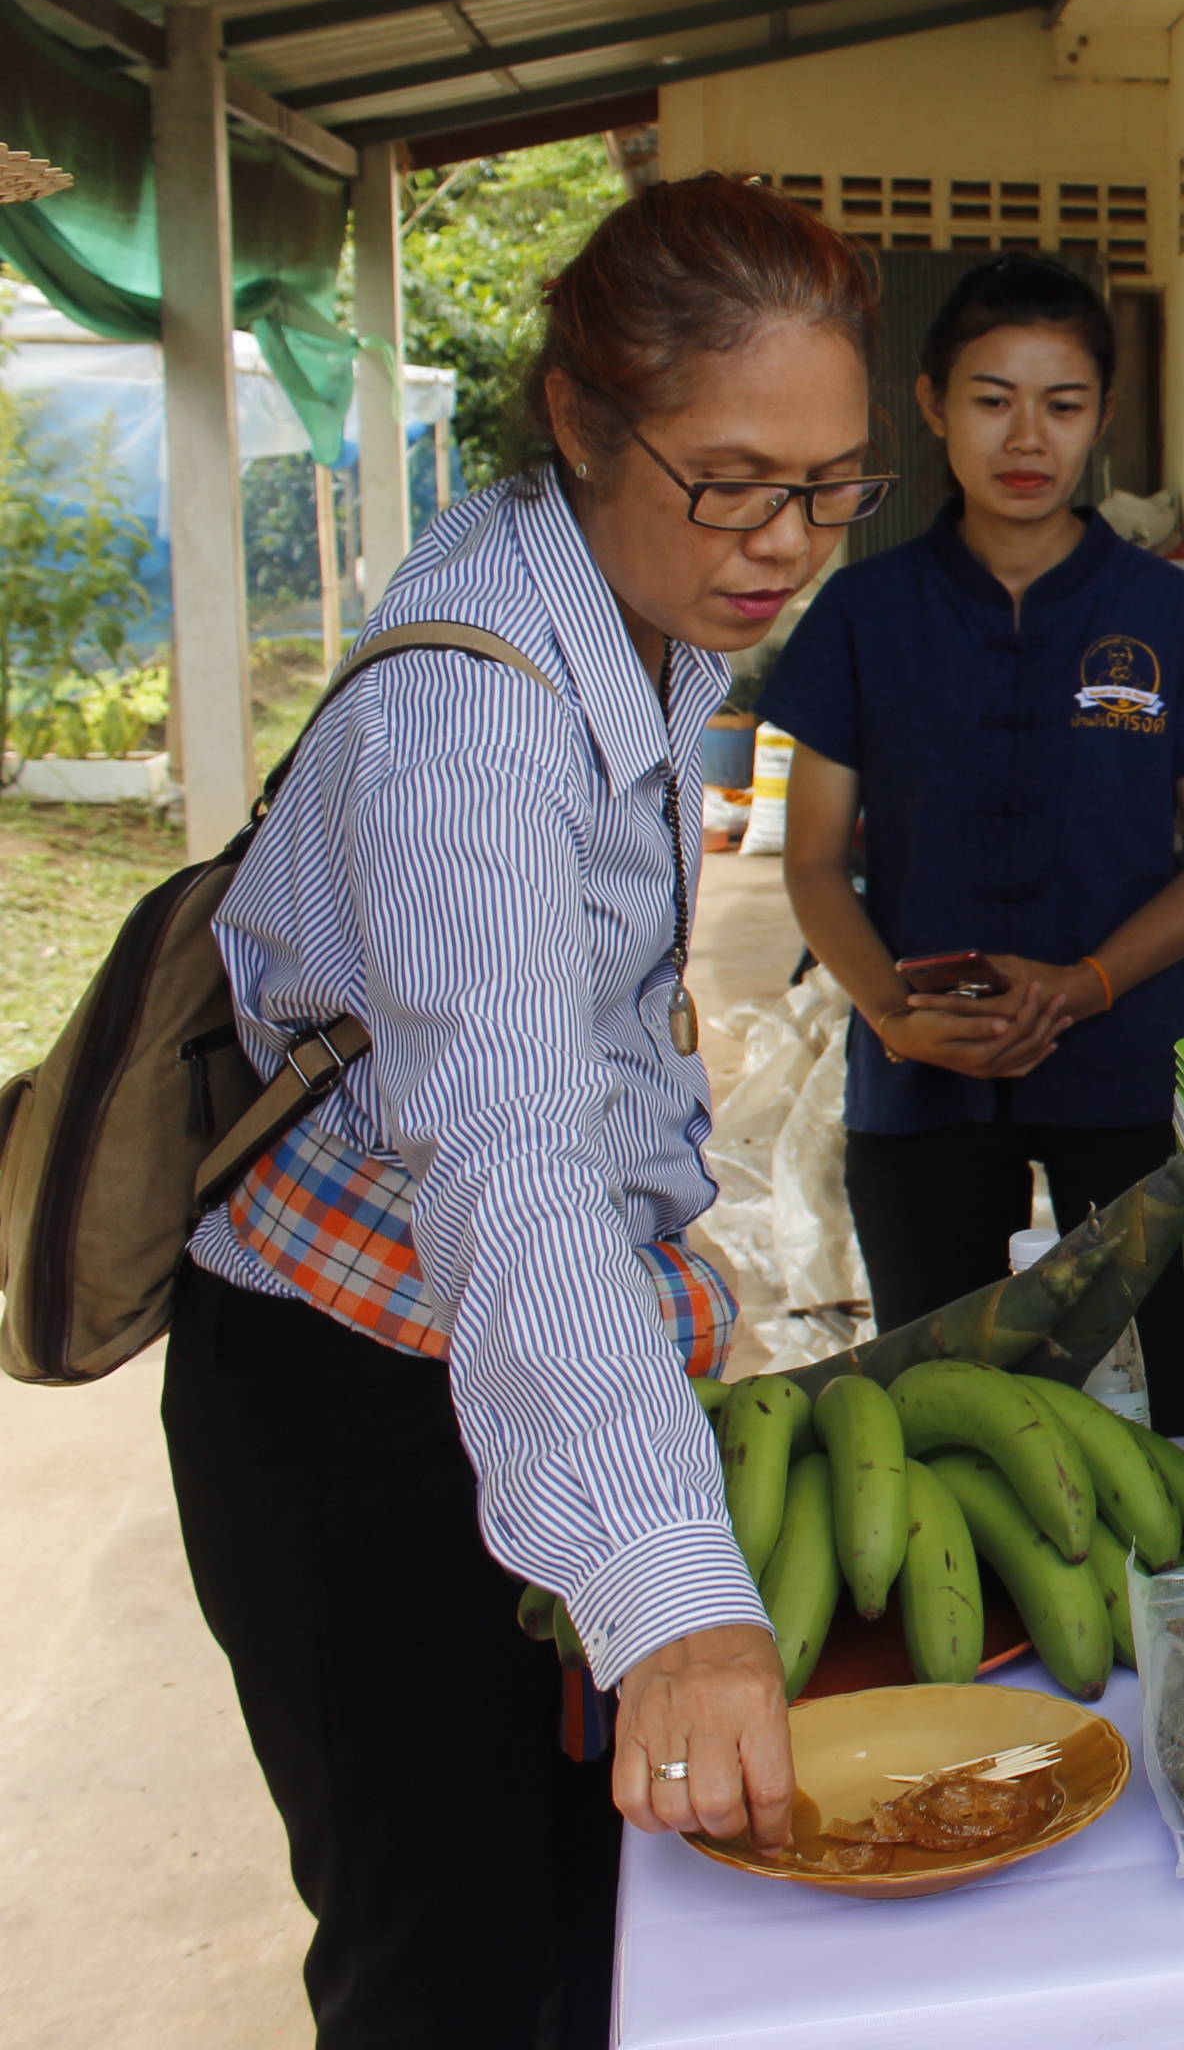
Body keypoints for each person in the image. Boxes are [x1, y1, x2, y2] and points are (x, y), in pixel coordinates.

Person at [171, 173, 869, 2047]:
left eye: (832, 484)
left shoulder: (619, 596)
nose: (786, 539)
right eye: (733, 478)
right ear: (578, 416)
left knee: (585, 1929)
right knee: (454, 1974)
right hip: (355, 1412)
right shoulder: (467, 726)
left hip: (502, 1363)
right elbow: (514, 1159)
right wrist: (676, 1590)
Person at [762, 256, 1184, 1423]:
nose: (1029, 437)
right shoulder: (867, 613)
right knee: (932, 1396)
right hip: (920, 1070)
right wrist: (892, 1017)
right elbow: (813, 856)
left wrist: (1088, 982)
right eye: (991, 398)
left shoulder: (1166, 615)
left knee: (1174, 1374)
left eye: (1063, 405)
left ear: (1104, 418)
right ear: (930, 405)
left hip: (1125, 1058)